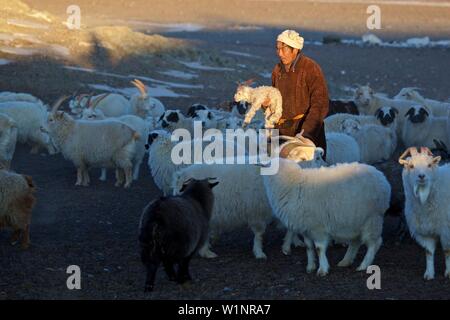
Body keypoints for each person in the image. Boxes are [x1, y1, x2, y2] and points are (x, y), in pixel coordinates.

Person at [271, 29, 329, 158]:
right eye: (277, 49)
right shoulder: (277, 70)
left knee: (309, 174)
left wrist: (306, 133)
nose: (280, 53)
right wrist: (266, 104)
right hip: (282, 133)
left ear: (295, 50)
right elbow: (275, 102)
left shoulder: (310, 68)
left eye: (284, 49)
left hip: (305, 134)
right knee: (280, 174)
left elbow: (320, 104)